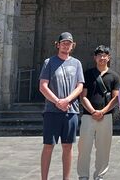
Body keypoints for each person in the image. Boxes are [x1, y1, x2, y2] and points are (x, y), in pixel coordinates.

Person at [39, 32, 85, 180]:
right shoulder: (49, 62)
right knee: (48, 145)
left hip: (71, 111)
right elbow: (43, 86)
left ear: (72, 46)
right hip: (52, 111)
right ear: (58, 45)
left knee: (68, 146)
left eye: (69, 43)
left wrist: (67, 100)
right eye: (63, 43)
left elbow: (80, 86)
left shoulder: (77, 63)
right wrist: (57, 102)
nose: (66, 45)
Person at [77, 45, 120, 180]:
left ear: (109, 57)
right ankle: (83, 175)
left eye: (105, 55)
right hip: (88, 116)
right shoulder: (88, 74)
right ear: (95, 58)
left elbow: (115, 98)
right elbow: (83, 96)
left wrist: (102, 111)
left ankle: (100, 175)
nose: (102, 58)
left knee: (103, 148)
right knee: (84, 147)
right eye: (99, 55)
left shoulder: (114, 76)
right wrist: (93, 111)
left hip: (106, 116)